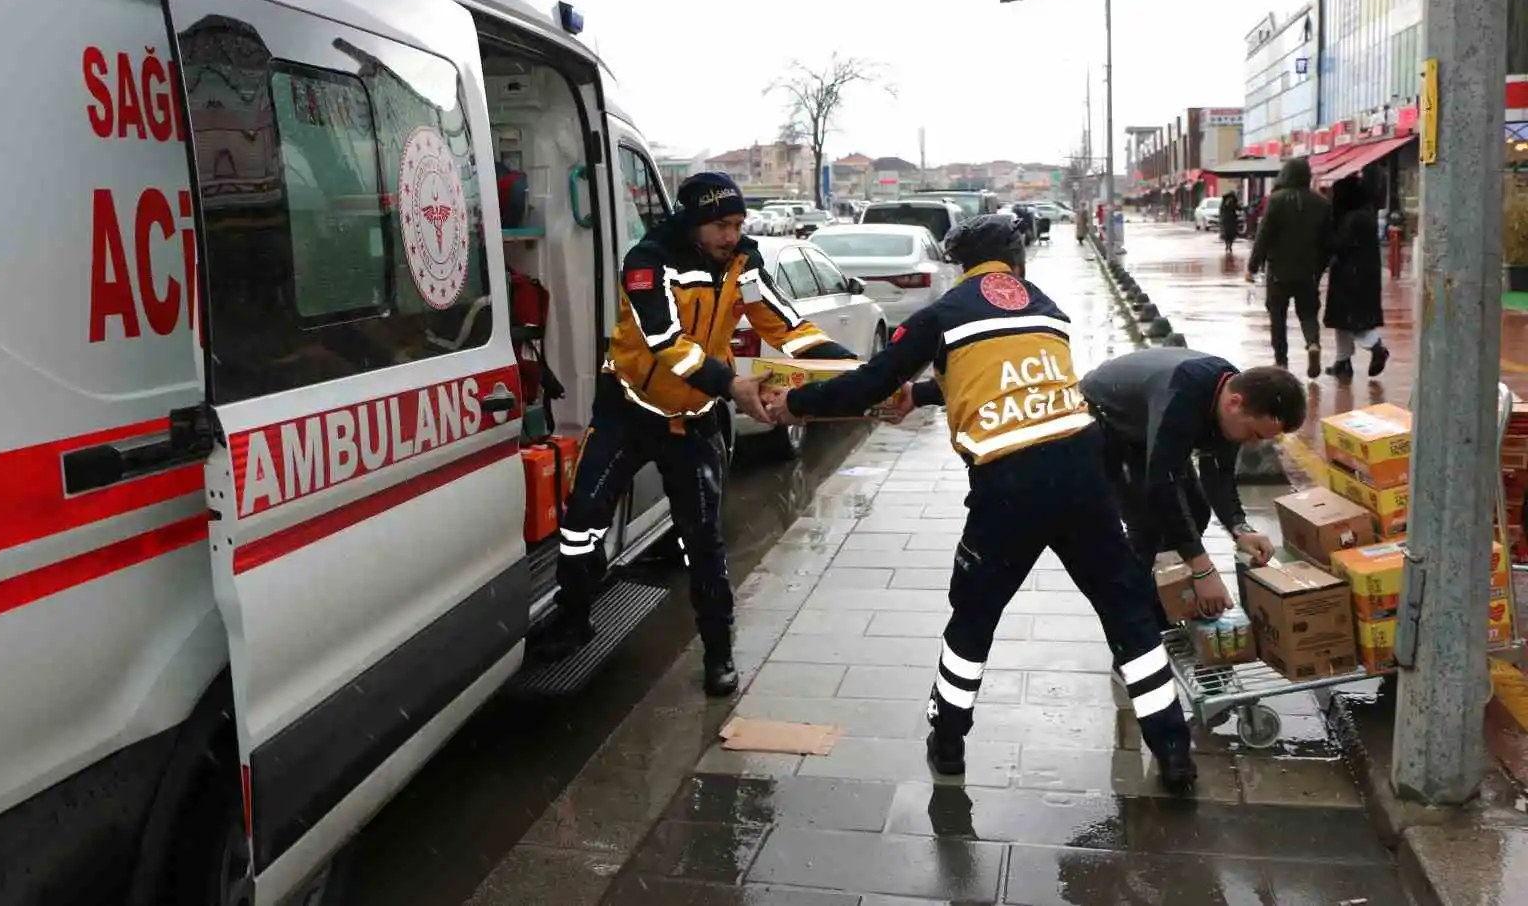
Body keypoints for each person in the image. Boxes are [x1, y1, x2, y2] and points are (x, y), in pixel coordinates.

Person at [762, 216, 1197, 791]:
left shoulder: (943, 314)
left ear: (962, 265)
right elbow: (997, 375)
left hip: (1009, 488)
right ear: (1015, 262)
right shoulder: (1048, 309)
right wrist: (918, 396)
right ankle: (1174, 754)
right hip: (1084, 475)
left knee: (974, 618)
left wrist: (796, 403)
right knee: (1128, 613)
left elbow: (867, 385)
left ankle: (948, 742)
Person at [544, 172, 856, 696]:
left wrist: (855, 371)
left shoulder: (743, 262)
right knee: (581, 523)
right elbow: (668, 343)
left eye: (737, 224)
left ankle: (718, 653)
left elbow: (783, 324)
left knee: (703, 541)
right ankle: (574, 617)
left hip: (692, 422)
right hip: (629, 411)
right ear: (692, 220)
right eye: (720, 224)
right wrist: (732, 384)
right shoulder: (647, 262)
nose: (731, 235)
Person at [1079, 350, 1307, 622]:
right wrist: (1203, 569)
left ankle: (1162, 597)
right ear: (1235, 403)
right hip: (1108, 419)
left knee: (1196, 511)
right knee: (1147, 525)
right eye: (1254, 434)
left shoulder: (1234, 395)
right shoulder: (1183, 397)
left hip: (1153, 423)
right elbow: (1161, 483)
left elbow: (1218, 474)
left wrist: (1239, 528)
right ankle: (1133, 630)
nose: (1253, 444)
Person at [1246, 157, 1333, 377]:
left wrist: (1253, 266)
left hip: (1278, 271)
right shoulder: (1322, 203)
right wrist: (1319, 269)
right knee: (1308, 312)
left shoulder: (1276, 200)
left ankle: (1281, 362)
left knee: (1278, 316)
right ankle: (1312, 343)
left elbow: (1263, 235)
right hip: (1308, 271)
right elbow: (1328, 242)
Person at [1324, 175, 1392, 380]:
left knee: (1353, 322)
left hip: (1350, 277)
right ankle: (1342, 362)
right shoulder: (1365, 214)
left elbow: (1339, 244)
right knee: (1342, 322)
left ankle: (1375, 346)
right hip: (1362, 275)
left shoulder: (1352, 219)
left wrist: (1326, 236)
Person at [1219, 189, 1241, 255]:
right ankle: (1229, 246)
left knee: (1227, 233)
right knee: (1230, 233)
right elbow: (1236, 207)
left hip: (1226, 220)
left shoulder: (1224, 202)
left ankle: (1228, 246)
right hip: (1230, 220)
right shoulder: (1231, 201)